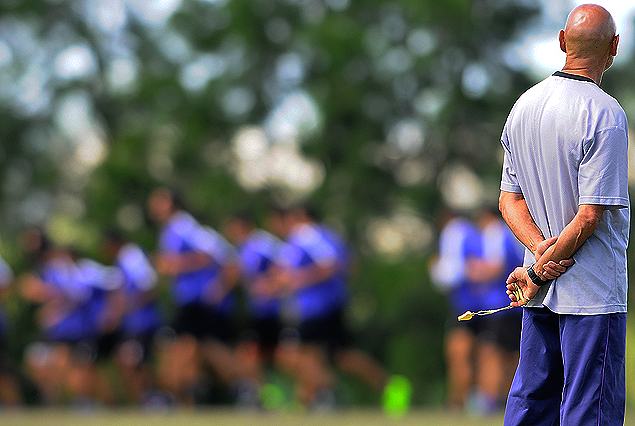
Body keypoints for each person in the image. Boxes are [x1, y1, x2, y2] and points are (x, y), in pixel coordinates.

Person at [498, 4, 628, 425]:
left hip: (538, 293)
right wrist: (541, 270)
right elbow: (589, 216)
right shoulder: (605, 114)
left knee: (531, 404)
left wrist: (537, 258)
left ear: (561, 42)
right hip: (591, 293)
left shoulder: (523, 106)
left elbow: (508, 201)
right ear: (614, 46)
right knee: (589, 410)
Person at [147, 187, 239, 405]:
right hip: (190, 301)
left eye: (159, 199)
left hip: (197, 301)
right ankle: (187, 394)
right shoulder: (173, 228)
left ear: (172, 203)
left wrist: (173, 265)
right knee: (198, 348)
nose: (153, 204)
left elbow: (209, 254)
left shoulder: (182, 226)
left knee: (182, 346)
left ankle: (168, 396)